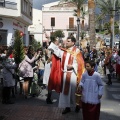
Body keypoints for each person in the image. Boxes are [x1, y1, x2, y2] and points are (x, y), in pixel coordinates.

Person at [48, 36, 85, 114]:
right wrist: (51, 41)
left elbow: (81, 63)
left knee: (74, 91)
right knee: (66, 92)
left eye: (68, 41)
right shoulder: (64, 51)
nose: (66, 42)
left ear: (73, 42)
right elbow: (56, 50)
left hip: (73, 75)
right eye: (66, 41)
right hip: (65, 75)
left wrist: (73, 66)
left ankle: (77, 105)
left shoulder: (77, 51)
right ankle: (67, 107)